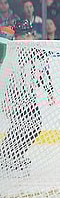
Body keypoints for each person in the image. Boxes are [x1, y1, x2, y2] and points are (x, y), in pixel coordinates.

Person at [0, 20, 54, 171]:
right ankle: (6, 157)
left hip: (29, 97)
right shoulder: (9, 50)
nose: (26, 38)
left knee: (34, 127)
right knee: (18, 128)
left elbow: (44, 71)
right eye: (23, 35)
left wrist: (49, 91)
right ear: (16, 37)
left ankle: (12, 156)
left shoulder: (36, 51)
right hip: (12, 97)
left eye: (29, 34)